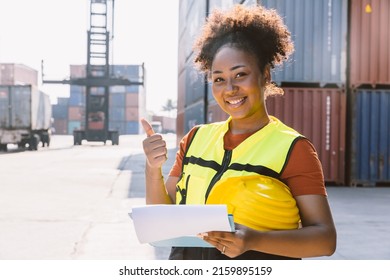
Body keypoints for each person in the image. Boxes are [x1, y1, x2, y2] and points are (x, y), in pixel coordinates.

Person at [141, 4, 336, 260]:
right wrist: (152, 168)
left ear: (264, 75)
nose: (229, 88)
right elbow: (162, 218)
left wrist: (253, 240)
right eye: (219, 79)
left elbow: (324, 239)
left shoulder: (293, 148)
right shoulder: (195, 139)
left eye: (240, 74)